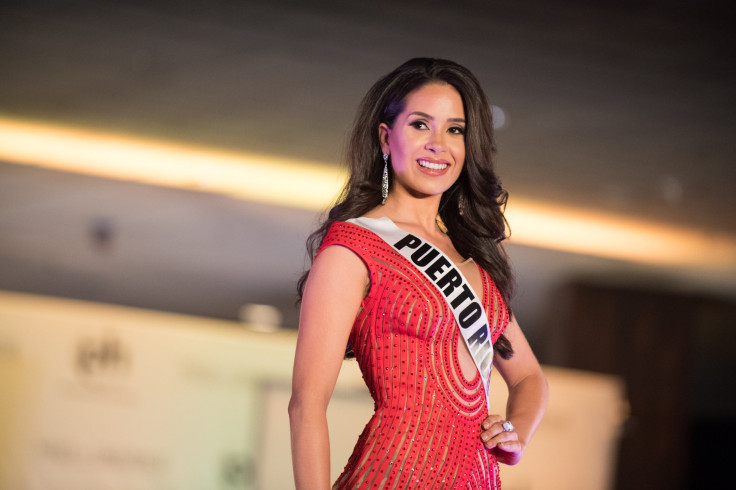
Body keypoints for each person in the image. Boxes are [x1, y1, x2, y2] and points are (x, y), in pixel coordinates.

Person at [289, 58, 548, 489]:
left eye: (455, 129)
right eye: (420, 125)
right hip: (393, 475)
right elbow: (306, 405)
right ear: (386, 139)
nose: (438, 144)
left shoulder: (473, 259)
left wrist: (516, 433)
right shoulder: (354, 248)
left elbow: (528, 376)